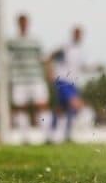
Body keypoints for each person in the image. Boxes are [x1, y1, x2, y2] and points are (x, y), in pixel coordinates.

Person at [6, 13, 52, 143]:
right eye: (21, 22)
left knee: (42, 105)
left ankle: (47, 136)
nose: (24, 24)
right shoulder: (12, 42)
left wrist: (49, 71)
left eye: (25, 22)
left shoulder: (35, 41)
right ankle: (24, 137)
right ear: (18, 24)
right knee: (20, 107)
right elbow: (0, 49)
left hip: (36, 78)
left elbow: (43, 58)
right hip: (19, 80)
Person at [50, 25, 91, 143]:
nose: (78, 36)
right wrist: (50, 71)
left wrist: (94, 68)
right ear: (73, 34)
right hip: (63, 80)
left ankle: (60, 135)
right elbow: (51, 56)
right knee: (76, 105)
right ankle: (64, 134)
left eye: (80, 34)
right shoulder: (65, 47)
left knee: (62, 109)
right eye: (76, 33)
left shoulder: (81, 50)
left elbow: (82, 67)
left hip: (73, 82)